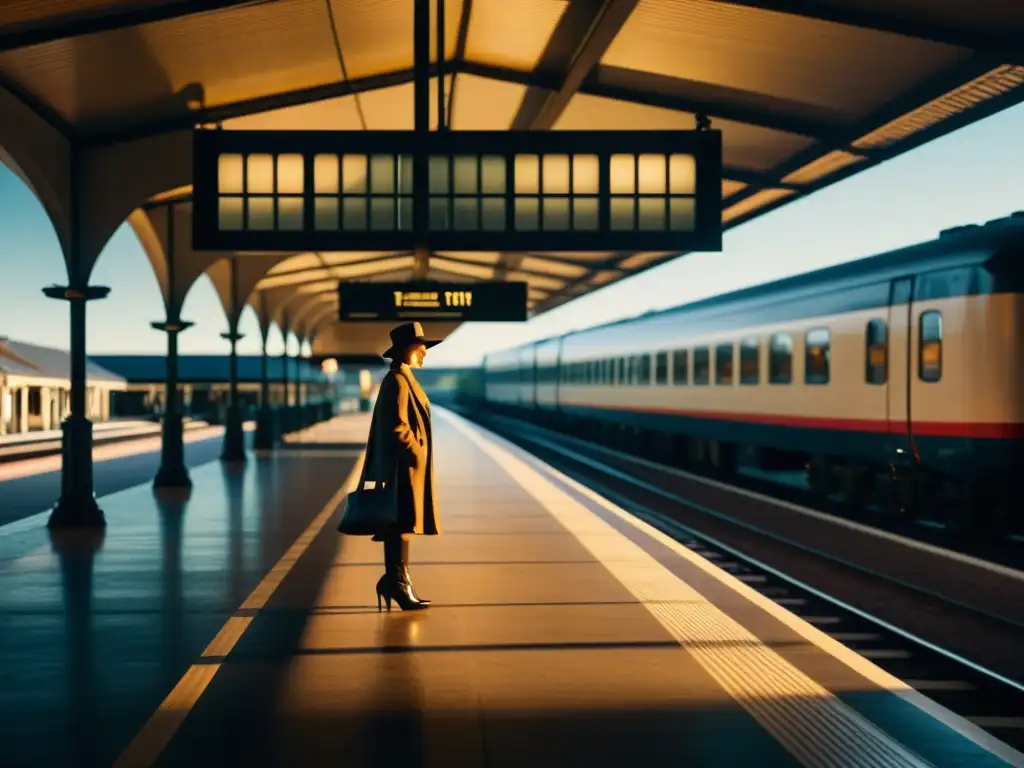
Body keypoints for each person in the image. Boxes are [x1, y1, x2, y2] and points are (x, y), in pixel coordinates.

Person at [362, 321, 442, 611]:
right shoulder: (396, 380)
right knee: (399, 525)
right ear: (407, 350)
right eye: (421, 348)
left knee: (402, 526)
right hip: (402, 469)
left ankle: (397, 581)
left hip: (405, 468)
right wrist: (417, 451)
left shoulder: (403, 377)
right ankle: (396, 582)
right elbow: (397, 426)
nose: (425, 353)